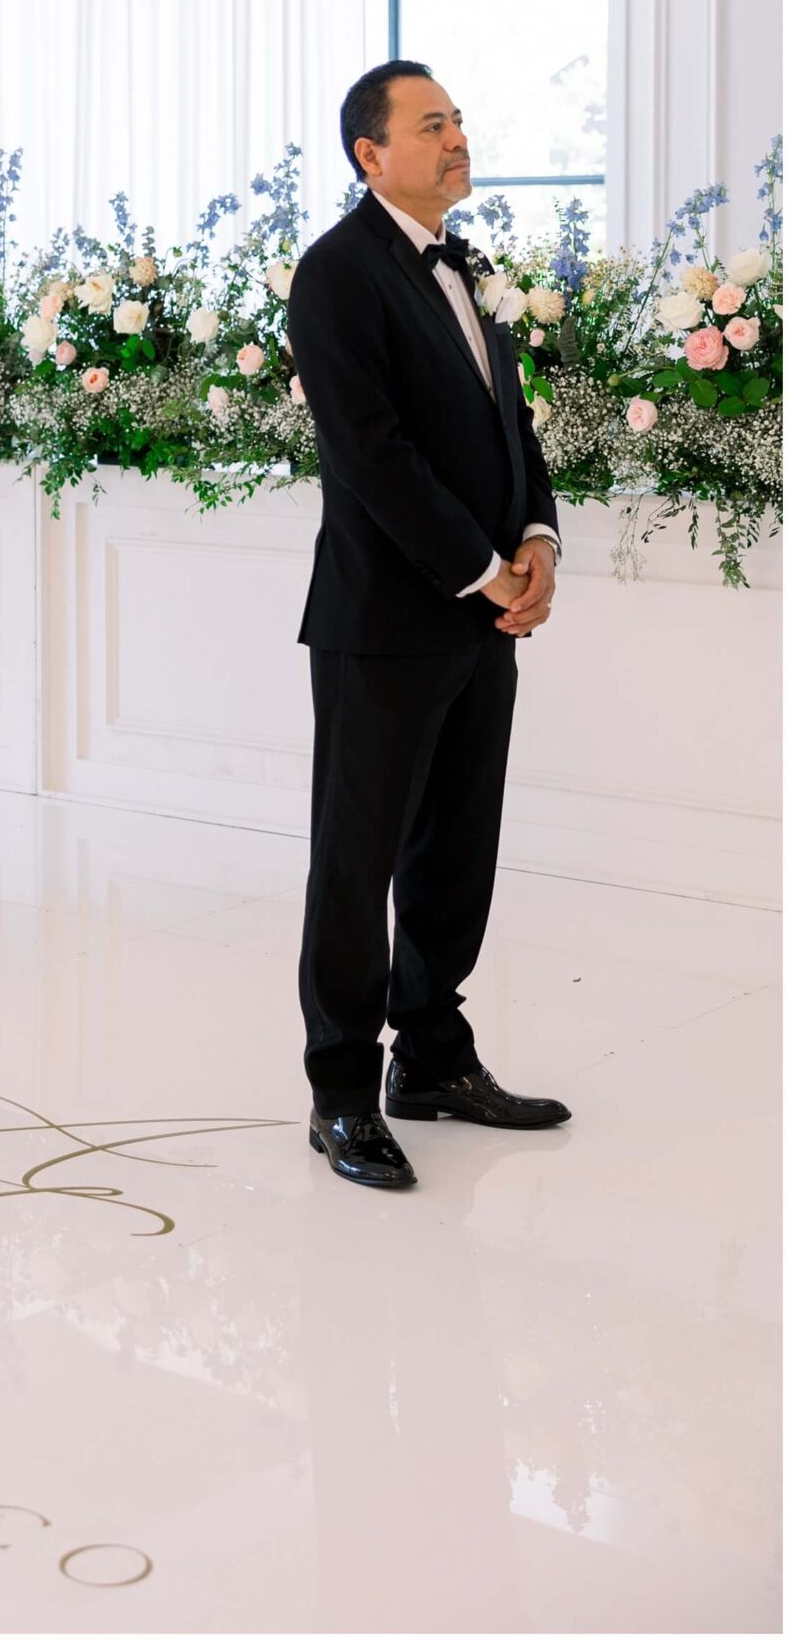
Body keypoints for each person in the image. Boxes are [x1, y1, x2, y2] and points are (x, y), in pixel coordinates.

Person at [286, 63, 571, 1191]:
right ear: (370, 152)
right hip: (383, 622)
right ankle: (343, 1092)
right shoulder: (335, 275)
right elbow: (371, 455)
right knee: (356, 864)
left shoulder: (473, 267)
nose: (457, 138)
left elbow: (512, 426)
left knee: (456, 850)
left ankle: (434, 1059)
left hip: (484, 619)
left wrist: (538, 541)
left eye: (457, 119)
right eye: (433, 124)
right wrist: (481, 569)